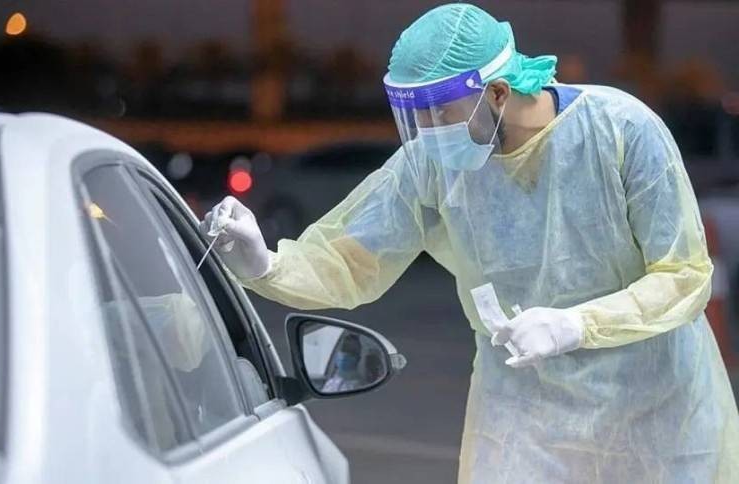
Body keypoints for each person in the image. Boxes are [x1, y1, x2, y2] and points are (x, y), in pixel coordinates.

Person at [201, 3, 739, 482]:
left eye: (439, 112)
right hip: (524, 417)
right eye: (415, 115)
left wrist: (577, 325)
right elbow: (351, 257)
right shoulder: (435, 163)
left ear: (498, 93)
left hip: (656, 415)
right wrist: (265, 264)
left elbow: (684, 275)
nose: (428, 129)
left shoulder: (621, 131)